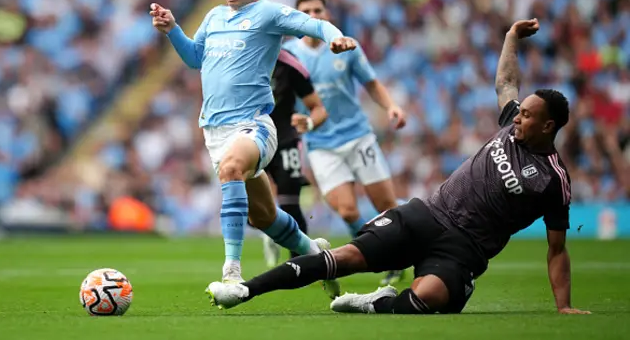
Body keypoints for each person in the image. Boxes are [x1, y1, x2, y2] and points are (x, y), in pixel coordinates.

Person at [205, 19, 591, 316]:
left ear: (548, 126)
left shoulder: (552, 181)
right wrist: (510, 36)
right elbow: (506, 81)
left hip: (466, 249)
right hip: (428, 213)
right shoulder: (509, 124)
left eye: (527, 116)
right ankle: (245, 290)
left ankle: (375, 303)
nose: (518, 118)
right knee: (343, 259)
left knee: (429, 299)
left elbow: (557, 249)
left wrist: (563, 306)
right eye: (519, 112)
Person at [150, 0, 355, 292]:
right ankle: (318, 257)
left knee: (231, 169)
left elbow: (314, 24)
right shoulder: (214, 16)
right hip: (214, 131)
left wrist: (333, 36)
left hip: (255, 125)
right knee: (264, 216)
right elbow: (194, 58)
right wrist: (172, 29)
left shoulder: (268, 14)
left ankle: (232, 271)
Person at [282, 0, 407, 286]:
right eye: (306, 13)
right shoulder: (289, 55)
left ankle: (409, 244)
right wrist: (294, 120)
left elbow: (372, 83)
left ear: (327, 15)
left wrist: (391, 106)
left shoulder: (345, 46)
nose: (313, 16)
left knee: (386, 206)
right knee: (347, 209)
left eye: (318, 11)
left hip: (358, 137)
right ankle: (381, 254)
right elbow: (282, 98)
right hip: (321, 144)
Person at [262, 49, 328, 267]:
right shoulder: (242, 56)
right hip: (253, 139)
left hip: (285, 140)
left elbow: (317, 107)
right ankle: (272, 232)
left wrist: (309, 122)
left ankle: (299, 264)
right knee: (249, 207)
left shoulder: (291, 64)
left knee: (290, 202)